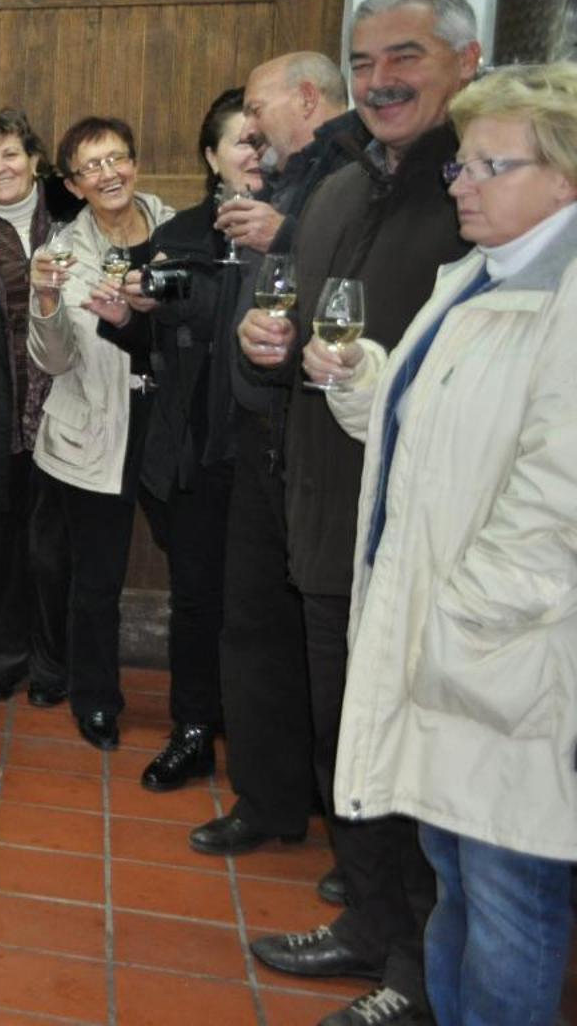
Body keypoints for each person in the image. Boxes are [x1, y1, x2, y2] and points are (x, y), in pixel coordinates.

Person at [302, 63, 576, 1026]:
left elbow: (559, 502)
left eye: (485, 166)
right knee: (458, 878)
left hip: (516, 661)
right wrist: (362, 374)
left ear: (564, 176)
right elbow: (426, 433)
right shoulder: (475, 277)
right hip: (451, 637)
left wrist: (462, 619)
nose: (457, 182)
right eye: (460, 164)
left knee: (511, 899)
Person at [237, 0, 481, 1026]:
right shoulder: (336, 188)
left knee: (417, 752)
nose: (379, 81)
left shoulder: (479, 191)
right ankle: (367, 925)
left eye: (405, 58)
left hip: (428, 527)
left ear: (462, 63)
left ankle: (420, 976)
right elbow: (277, 306)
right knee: (348, 728)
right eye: (365, 60)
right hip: (326, 508)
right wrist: (263, 337)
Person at [192, 51, 360, 863]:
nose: (249, 127)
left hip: (321, 442)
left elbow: (356, 289)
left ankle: (355, 842)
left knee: (326, 637)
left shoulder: (357, 179)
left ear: (304, 96)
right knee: (253, 623)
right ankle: (267, 800)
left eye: (257, 108)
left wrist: (284, 236)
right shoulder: (284, 182)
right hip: (257, 435)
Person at [103, 89, 262, 790]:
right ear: (212, 156)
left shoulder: (305, 228)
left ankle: (264, 743)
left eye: (265, 142)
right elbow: (152, 344)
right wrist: (126, 317)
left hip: (269, 449)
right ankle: (193, 728)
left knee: (265, 605)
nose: (255, 155)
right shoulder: (185, 235)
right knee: (195, 596)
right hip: (193, 450)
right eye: (240, 142)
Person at [26, 117, 173, 751]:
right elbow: (53, 361)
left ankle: (203, 703)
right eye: (92, 166)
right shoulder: (60, 252)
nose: (109, 173)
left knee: (197, 573)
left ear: (135, 164)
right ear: (73, 183)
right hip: (94, 429)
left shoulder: (178, 232)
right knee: (95, 579)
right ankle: (95, 701)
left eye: (118, 158)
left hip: (171, 427)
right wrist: (48, 302)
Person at [0, 110, 81, 705]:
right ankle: (3, 659)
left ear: (34, 160)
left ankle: (54, 666)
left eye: (10, 154)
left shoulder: (74, 219)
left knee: (56, 553)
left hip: (68, 407)